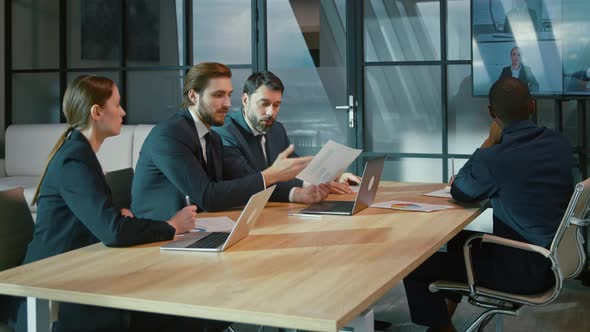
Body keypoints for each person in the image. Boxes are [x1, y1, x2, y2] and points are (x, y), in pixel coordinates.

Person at [11, 75, 222, 332]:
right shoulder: (74, 160)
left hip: (80, 271)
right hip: (53, 289)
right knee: (179, 314)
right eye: (117, 104)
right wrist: (171, 226)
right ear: (97, 112)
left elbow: (96, 217)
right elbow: (112, 231)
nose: (123, 112)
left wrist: (117, 214)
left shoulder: (80, 153)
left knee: (180, 307)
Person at [402, 77, 573, 332]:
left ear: (491, 113)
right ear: (532, 106)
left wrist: (489, 141)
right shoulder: (559, 143)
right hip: (550, 260)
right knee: (460, 240)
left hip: (519, 271)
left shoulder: (496, 158)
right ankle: (439, 326)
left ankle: (441, 330)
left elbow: (460, 190)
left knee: (415, 266)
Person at [131, 63, 322, 221]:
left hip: (200, 227)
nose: (228, 104)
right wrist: (271, 175)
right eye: (218, 95)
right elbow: (208, 196)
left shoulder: (211, 137)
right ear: (193, 96)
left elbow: (228, 187)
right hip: (158, 236)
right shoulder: (169, 135)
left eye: (229, 95)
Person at [212, 70, 360, 203]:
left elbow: (294, 165)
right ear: (245, 100)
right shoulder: (224, 132)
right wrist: (309, 186)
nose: (271, 112)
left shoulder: (276, 128)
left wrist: (331, 177)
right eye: (264, 104)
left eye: (276, 105)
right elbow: (252, 181)